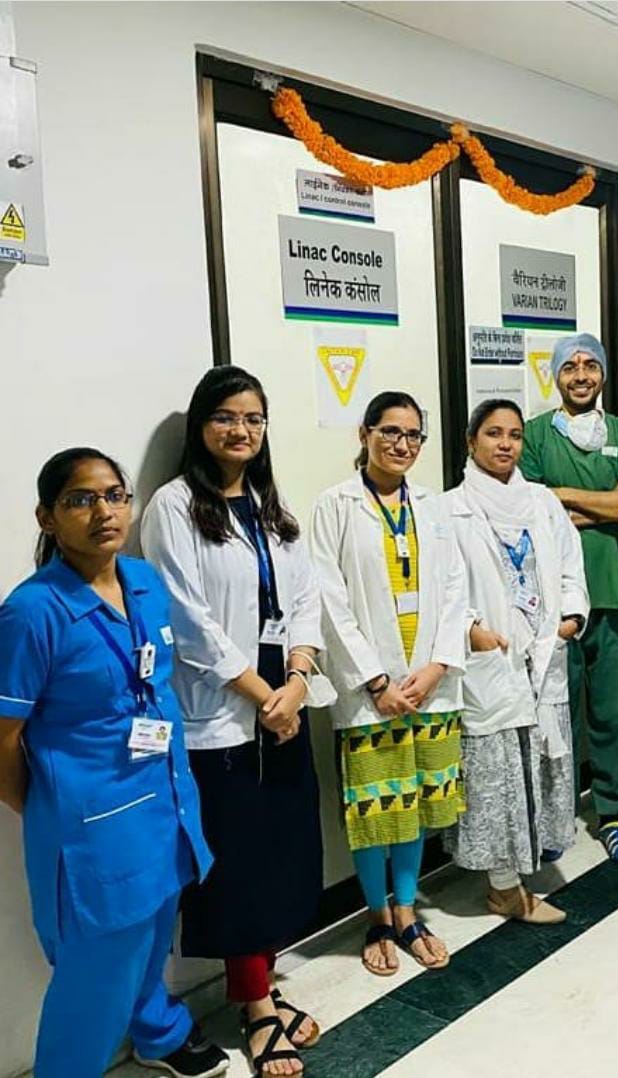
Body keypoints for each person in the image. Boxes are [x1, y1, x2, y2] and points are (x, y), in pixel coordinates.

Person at [0, 448, 228, 1078]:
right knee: (94, 982)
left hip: (164, 802)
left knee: (151, 940)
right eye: (80, 499)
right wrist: (49, 808)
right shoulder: (32, 612)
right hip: (94, 828)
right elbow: (2, 737)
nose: (103, 511)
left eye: (114, 495)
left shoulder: (144, 582)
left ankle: (157, 1034)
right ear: (47, 517)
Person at [142, 368, 324, 1078]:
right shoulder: (173, 506)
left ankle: (264, 986)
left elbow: (304, 599)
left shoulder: (272, 505)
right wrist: (262, 694)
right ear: (201, 425)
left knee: (280, 855)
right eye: (225, 417)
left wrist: (298, 682)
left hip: (284, 700)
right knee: (240, 865)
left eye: (253, 418)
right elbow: (188, 619)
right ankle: (256, 1009)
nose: (240, 430)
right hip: (224, 712)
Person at [311, 391, 467, 976]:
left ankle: (407, 911)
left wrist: (435, 668)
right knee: (375, 809)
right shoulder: (334, 505)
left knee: (415, 803)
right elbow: (328, 598)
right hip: (370, 691)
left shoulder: (433, 507)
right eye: (390, 432)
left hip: (428, 684)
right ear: (365, 433)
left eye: (413, 434)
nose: (402, 444)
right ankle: (377, 915)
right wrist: (377, 682)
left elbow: (456, 590)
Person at [443, 399, 589, 922]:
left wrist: (571, 616)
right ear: (471, 441)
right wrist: (471, 630)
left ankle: (527, 867)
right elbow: (444, 589)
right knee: (498, 776)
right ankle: (504, 888)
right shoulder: (450, 510)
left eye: (514, 435)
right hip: (494, 659)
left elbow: (571, 565)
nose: (505, 444)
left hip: (543, 653)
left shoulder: (542, 502)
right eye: (493, 433)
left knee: (540, 768)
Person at [521, 333, 618, 863]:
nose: (580, 375)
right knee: (554, 712)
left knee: (615, 711)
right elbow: (532, 509)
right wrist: (608, 500)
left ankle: (615, 814)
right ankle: (554, 817)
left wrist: (566, 499)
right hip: (552, 602)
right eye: (570, 366)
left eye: (590, 365)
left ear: (603, 373)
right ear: (556, 376)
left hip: (611, 591)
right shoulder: (535, 435)